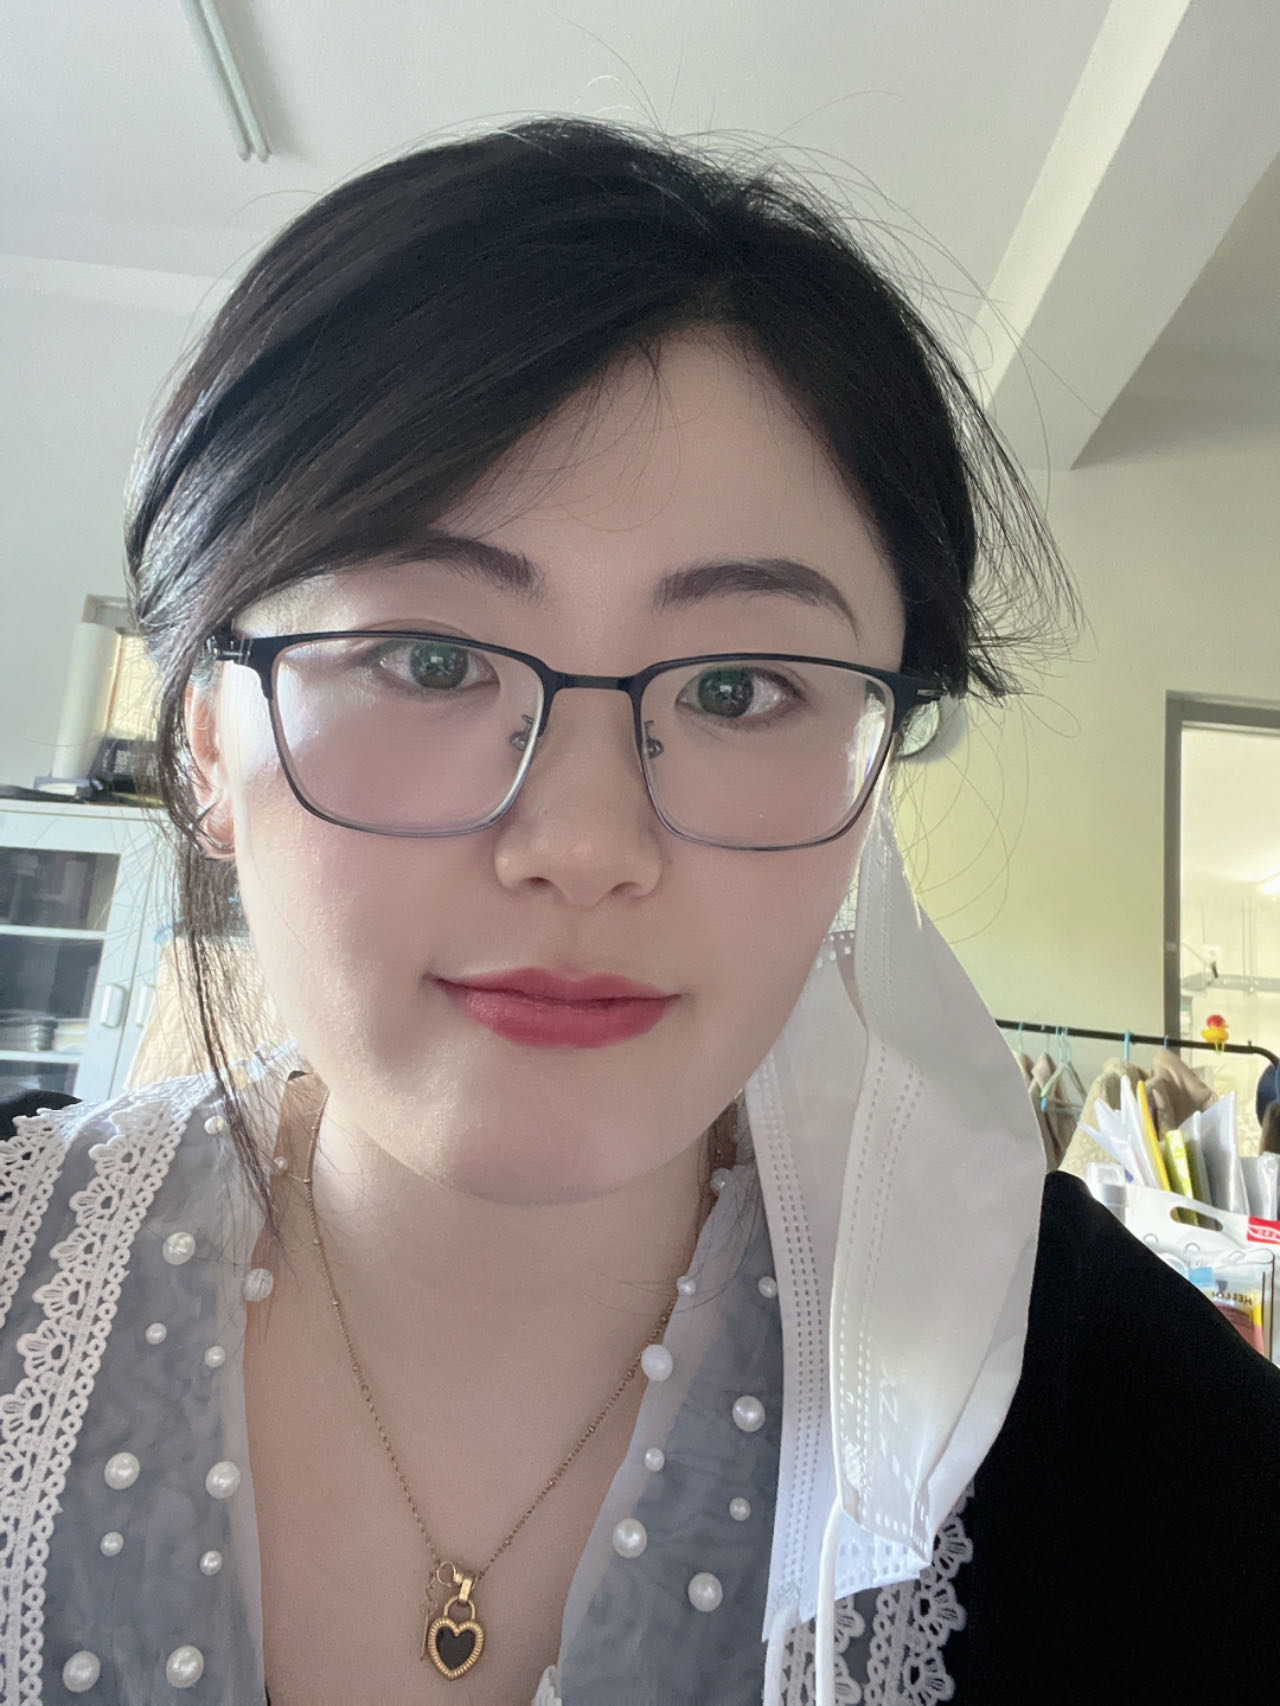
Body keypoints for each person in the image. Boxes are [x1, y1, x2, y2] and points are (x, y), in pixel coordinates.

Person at [2, 118, 1278, 1706]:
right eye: (430, 660)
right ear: (205, 739)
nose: (588, 844)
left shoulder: (1126, 1437)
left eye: (740, 688)